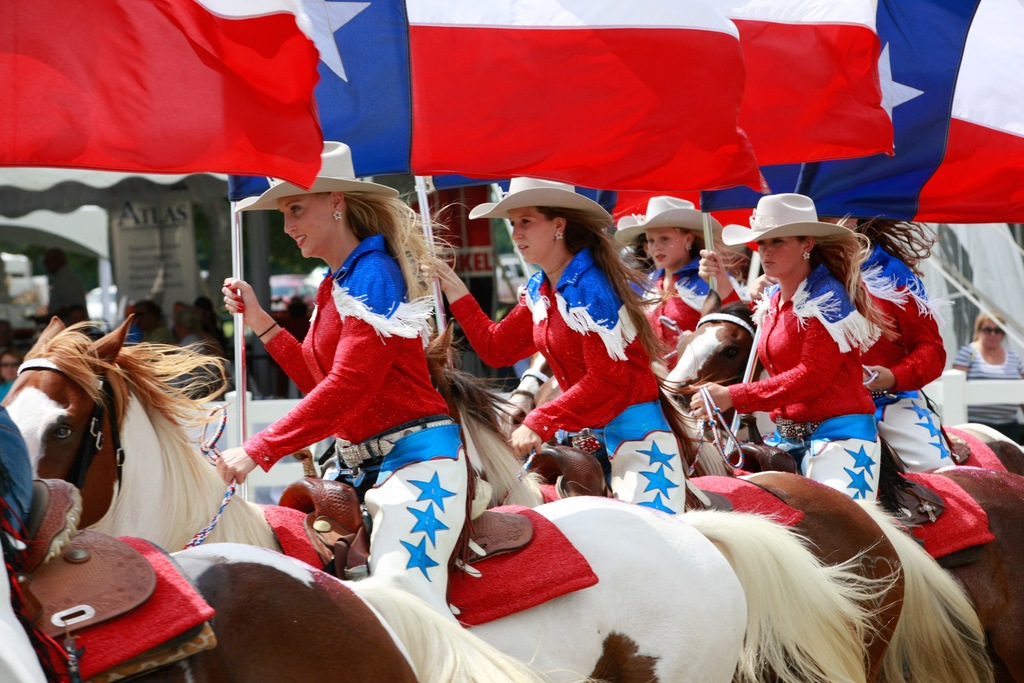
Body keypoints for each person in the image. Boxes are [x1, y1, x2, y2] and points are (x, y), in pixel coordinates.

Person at [217, 142, 467, 620]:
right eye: (283, 214)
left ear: (336, 202)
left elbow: (349, 386)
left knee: (407, 605)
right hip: (356, 469)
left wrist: (256, 450)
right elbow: (321, 380)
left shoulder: (373, 272)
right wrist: (260, 321)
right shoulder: (337, 282)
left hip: (416, 462)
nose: (287, 227)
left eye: (295, 209)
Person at [433, 178, 687, 514]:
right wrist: (453, 287)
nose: (515, 234)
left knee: (656, 540)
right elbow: (498, 349)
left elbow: (608, 378)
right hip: (579, 445)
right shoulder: (541, 288)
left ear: (558, 225)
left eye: (525, 221)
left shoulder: (590, 285)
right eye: (512, 223)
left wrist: (539, 419)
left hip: (638, 443)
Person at [689, 194, 886, 501]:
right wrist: (722, 281)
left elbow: (812, 377)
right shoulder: (773, 300)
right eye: (761, 243)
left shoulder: (828, 296)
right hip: (784, 439)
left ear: (807, 244)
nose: (766, 251)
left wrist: (733, 395)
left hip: (841, 439)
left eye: (777, 241)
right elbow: (742, 341)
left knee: (840, 533)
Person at [853, 219, 953, 469]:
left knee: (937, 473)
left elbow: (931, 350)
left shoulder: (891, 273)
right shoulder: (796, 273)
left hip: (889, 402)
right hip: (812, 413)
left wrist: (894, 377)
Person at [613, 197, 742, 365]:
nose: (656, 246)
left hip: (699, 383)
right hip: (655, 384)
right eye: (651, 240)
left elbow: (739, 331)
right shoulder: (642, 286)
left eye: (664, 238)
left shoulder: (710, 279)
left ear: (688, 239)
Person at [952, 313, 1024, 443]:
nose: (992, 334)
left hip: (1009, 426)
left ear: (1003, 334)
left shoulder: (1015, 357)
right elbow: (954, 390)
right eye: (987, 329)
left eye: (998, 330)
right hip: (976, 427)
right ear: (979, 331)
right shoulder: (967, 353)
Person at [41, 248, 87, 325]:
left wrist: (48, 319)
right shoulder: (64, 276)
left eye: (47, 262)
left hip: (70, 330)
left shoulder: (66, 278)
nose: (46, 266)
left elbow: (74, 309)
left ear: (57, 260)